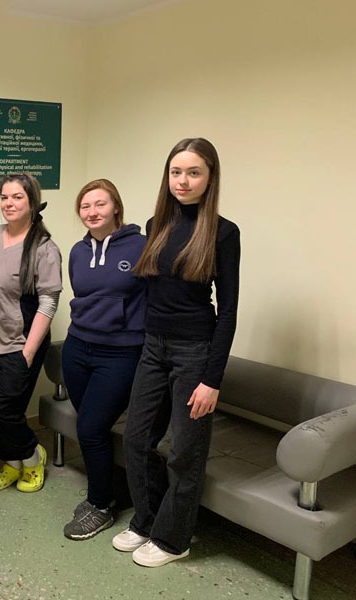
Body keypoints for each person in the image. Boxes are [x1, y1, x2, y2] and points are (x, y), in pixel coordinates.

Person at [113, 138, 240, 567]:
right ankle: (146, 521)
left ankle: (173, 539)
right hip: (154, 346)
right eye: (176, 172)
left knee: (185, 451)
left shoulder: (224, 233)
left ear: (210, 177)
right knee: (136, 438)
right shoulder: (157, 224)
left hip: (195, 352)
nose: (183, 181)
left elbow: (228, 312)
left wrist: (212, 380)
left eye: (193, 172)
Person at [60, 179, 146, 541]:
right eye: (85, 206)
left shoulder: (141, 246)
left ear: (116, 208)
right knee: (91, 426)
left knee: (91, 428)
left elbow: (154, 297)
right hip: (77, 348)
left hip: (121, 352)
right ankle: (106, 489)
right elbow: (81, 295)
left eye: (100, 204)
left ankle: (101, 505)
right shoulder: (78, 252)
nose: (92, 212)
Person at [0, 173, 62, 494]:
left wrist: (28, 351)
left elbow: (48, 302)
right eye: (4, 197)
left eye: (17, 197)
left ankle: (32, 456)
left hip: (18, 343)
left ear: (32, 202)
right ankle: (12, 463)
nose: (8, 203)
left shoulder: (44, 248)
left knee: (3, 411)